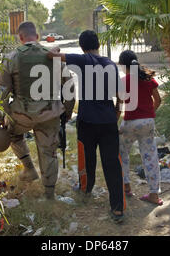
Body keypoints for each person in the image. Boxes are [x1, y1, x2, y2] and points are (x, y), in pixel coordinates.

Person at [0, 21, 75, 199]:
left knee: (11, 134)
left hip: (22, 114)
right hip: (50, 113)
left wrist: (0, 117)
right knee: (48, 152)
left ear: (20, 38)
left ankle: (29, 168)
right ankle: (49, 194)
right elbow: (69, 87)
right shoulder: (53, 56)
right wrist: (67, 112)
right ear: (37, 36)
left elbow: (1, 92)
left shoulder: (11, 57)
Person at [47, 30, 125, 223]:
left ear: (82, 47)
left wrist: (55, 47)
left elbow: (52, 56)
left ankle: (85, 190)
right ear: (98, 44)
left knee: (87, 158)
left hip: (88, 121)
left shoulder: (83, 60)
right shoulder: (111, 64)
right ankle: (117, 209)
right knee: (112, 163)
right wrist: (117, 112)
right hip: (108, 121)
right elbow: (120, 95)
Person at [117, 50, 163, 205]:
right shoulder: (147, 78)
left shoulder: (123, 82)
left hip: (129, 123)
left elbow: (119, 106)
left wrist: (115, 124)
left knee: (122, 153)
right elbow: (158, 99)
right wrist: (149, 114)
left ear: (123, 65)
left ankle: (126, 187)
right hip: (147, 123)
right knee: (150, 157)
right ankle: (154, 195)